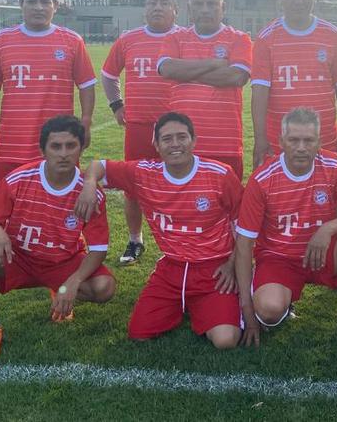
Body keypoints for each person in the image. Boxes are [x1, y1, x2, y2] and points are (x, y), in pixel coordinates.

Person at [75, 112, 244, 349]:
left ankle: (219, 303)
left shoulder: (220, 174)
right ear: (156, 144)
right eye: (167, 139)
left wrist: (233, 264)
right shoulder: (143, 173)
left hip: (215, 269)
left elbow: (244, 226)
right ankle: (189, 304)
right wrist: (89, 184)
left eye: (182, 137)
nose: (175, 144)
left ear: (194, 141)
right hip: (171, 269)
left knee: (225, 340)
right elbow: (97, 166)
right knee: (138, 333)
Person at [0, 115, 115, 363]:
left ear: (81, 148)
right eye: (56, 146)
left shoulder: (90, 194)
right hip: (17, 259)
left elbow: (98, 249)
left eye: (71, 146)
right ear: (43, 150)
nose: (63, 154)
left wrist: (72, 282)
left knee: (104, 288)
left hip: (60, 263)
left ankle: (59, 289)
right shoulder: (19, 179)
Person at [235, 107, 337, 343]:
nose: (301, 147)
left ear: (319, 142)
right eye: (293, 140)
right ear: (281, 141)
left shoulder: (334, 165)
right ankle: (282, 300)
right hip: (279, 259)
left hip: (324, 253)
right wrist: (247, 310)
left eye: (308, 140)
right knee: (269, 311)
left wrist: (327, 229)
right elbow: (244, 244)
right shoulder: (262, 179)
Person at [0, 0, 96, 203]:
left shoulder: (72, 41)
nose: (39, 7)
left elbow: (86, 85)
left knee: (59, 203)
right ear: (21, 4)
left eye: (45, 1)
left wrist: (86, 122)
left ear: (55, 6)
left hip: (59, 143)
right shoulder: (1, 41)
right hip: (13, 141)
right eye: (31, 1)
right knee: (4, 205)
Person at [101, 0, 179, 266]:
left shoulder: (185, 38)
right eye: (152, 2)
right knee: (133, 186)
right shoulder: (129, 39)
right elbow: (108, 75)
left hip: (175, 129)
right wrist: (116, 105)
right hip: (138, 125)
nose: (158, 7)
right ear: (144, 9)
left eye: (164, 2)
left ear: (175, 10)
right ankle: (136, 240)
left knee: (178, 185)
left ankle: (177, 243)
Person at [250, 0, 337, 168]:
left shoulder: (332, 35)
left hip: (324, 139)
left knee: (326, 187)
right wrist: (260, 137)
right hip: (280, 142)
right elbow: (260, 92)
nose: (299, 0)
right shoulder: (266, 38)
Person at [157, 0, 252, 180]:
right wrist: (214, 63)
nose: (205, 9)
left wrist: (185, 71)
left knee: (229, 199)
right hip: (183, 144)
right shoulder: (175, 38)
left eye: (212, 4)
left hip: (225, 144)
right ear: (190, 9)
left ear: (223, 8)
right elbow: (167, 69)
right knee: (184, 197)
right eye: (199, 4)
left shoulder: (239, 38)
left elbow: (236, 76)